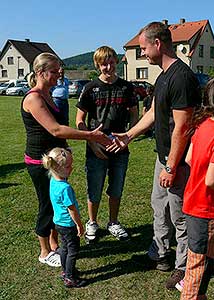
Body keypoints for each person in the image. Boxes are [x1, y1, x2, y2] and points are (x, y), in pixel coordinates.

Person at [107, 22, 201, 289]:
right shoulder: (162, 77)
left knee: (180, 216)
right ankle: (159, 254)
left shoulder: (181, 77)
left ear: (158, 44)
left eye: (144, 47)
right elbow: (153, 114)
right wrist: (128, 135)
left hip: (178, 161)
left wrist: (171, 167)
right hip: (164, 157)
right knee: (159, 208)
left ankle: (183, 268)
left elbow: (182, 127)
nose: (143, 53)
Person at [21, 52, 111, 267]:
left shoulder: (49, 94)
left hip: (53, 159)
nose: (59, 73)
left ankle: (53, 245)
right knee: (47, 206)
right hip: (40, 162)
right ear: (41, 73)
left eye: (60, 69)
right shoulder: (34, 98)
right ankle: (44, 252)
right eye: (54, 70)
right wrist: (90, 135)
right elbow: (55, 130)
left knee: (55, 203)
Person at [76, 46, 138, 243]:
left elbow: (135, 114)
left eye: (111, 62)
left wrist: (128, 136)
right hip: (97, 148)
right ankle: (92, 222)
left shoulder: (127, 87)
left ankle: (113, 222)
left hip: (120, 147)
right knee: (94, 188)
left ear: (117, 62)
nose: (108, 67)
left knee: (116, 188)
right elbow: (79, 119)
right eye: (104, 63)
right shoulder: (90, 88)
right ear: (97, 65)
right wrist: (92, 142)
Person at [178, 76, 214, 299]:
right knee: (198, 267)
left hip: (193, 204)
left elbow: (188, 159)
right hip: (205, 210)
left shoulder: (203, 126)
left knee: (201, 261)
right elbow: (212, 180)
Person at [42, 147, 87, 288]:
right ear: (58, 168)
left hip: (58, 223)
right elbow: (72, 209)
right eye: (68, 166)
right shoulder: (65, 188)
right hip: (68, 224)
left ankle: (65, 271)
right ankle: (69, 277)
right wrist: (79, 225)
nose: (71, 168)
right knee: (73, 250)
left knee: (64, 248)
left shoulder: (53, 181)